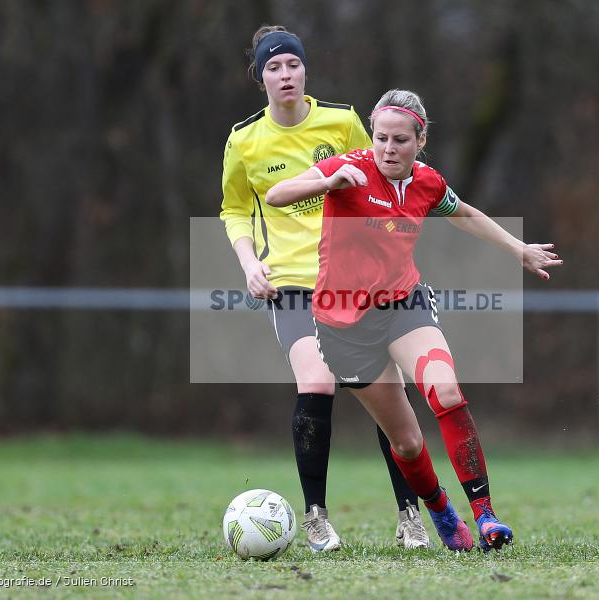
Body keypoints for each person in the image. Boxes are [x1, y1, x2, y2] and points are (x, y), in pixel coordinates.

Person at [266, 89, 563, 550]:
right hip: (343, 327)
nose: (388, 149)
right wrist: (326, 183)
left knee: (446, 391)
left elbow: (463, 213)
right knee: (406, 443)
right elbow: (276, 194)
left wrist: (518, 249)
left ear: (420, 141)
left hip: (403, 305)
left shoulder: (426, 182)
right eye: (381, 138)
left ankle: (486, 516)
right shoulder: (349, 169)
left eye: (400, 140)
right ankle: (441, 511)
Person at [219, 27, 430, 551]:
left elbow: (382, 179)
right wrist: (249, 263)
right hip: (291, 282)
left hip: (357, 282)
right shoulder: (244, 139)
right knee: (317, 382)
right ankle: (315, 516)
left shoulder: (341, 121)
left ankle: (410, 516)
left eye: (293, 64)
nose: (285, 74)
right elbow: (234, 208)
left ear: (305, 69)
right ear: (260, 77)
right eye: (274, 67)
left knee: (389, 396)